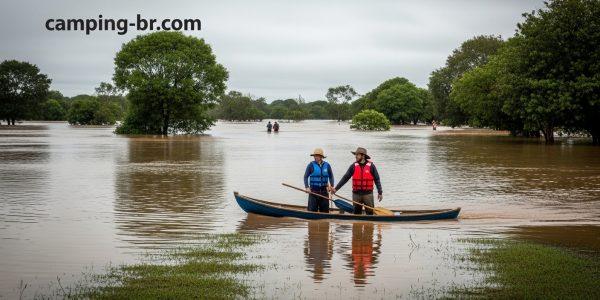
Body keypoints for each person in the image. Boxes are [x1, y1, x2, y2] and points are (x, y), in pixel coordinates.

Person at [332, 147, 382, 215]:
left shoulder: (371, 166)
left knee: (370, 214)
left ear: (363, 156)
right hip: (356, 194)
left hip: (368, 194)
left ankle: (369, 225)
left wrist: (380, 192)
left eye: (357, 155)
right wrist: (336, 189)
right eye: (355, 154)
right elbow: (345, 178)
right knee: (357, 214)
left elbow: (377, 179)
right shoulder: (353, 166)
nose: (355, 156)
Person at [303, 148, 335, 212]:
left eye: (317, 156)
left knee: (325, 212)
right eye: (315, 156)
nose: (315, 157)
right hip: (313, 192)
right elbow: (305, 177)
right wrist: (307, 187)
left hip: (324, 192)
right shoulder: (310, 165)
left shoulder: (327, 165)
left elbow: (331, 176)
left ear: (321, 157)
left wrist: (331, 186)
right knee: (312, 211)